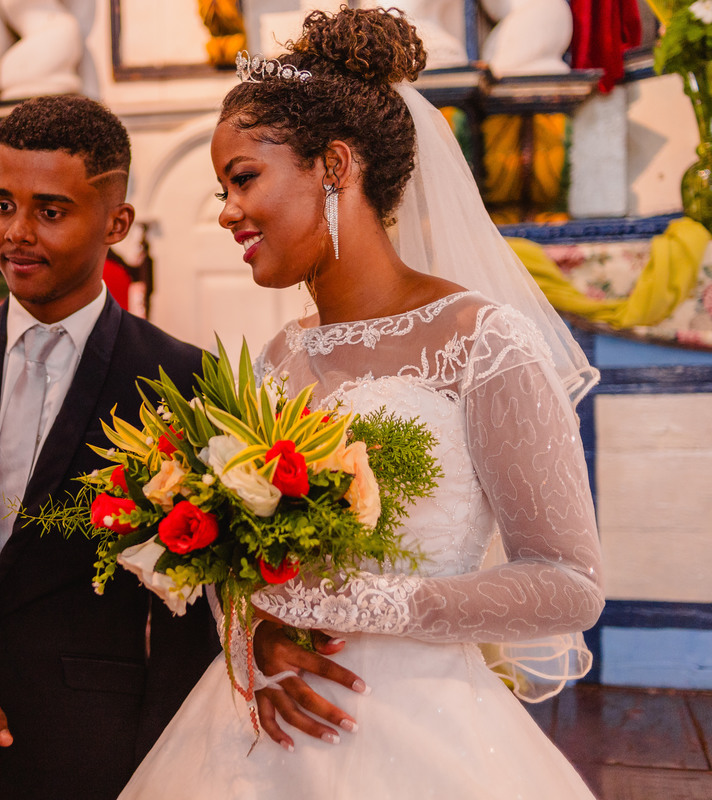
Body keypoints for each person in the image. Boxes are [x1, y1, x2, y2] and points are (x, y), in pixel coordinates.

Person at [119, 8, 605, 798]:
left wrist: (365, 602)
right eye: (223, 189)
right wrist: (256, 639)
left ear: (335, 165)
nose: (228, 210)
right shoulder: (279, 358)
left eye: (244, 178)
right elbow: (241, 570)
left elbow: (568, 582)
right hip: (265, 724)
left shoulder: (483, 341)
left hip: (426, 730)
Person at [0, 94, 224, 800]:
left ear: (116, 223)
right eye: (2, 204)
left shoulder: (180, 379)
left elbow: (189, 608)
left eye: (51, 212)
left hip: (91, 743)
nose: (16, 233)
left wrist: (162, 758)